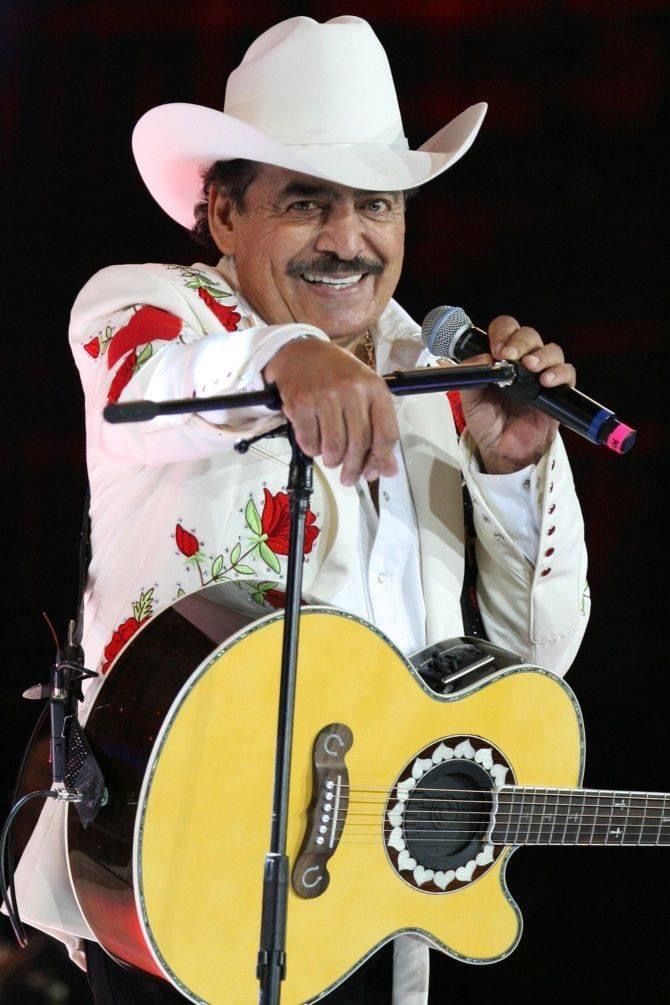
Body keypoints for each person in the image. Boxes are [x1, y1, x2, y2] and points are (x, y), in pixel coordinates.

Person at [10, 14, 590, 1005]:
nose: (347, 239)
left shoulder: (445, 387)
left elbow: (532, 663)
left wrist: (505, 471)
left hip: (361, 895)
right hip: (170, 876)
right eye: (306, 203)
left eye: (376, 205)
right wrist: (281, 357)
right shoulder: (152, 309)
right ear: (225, 215)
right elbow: (135, 388)